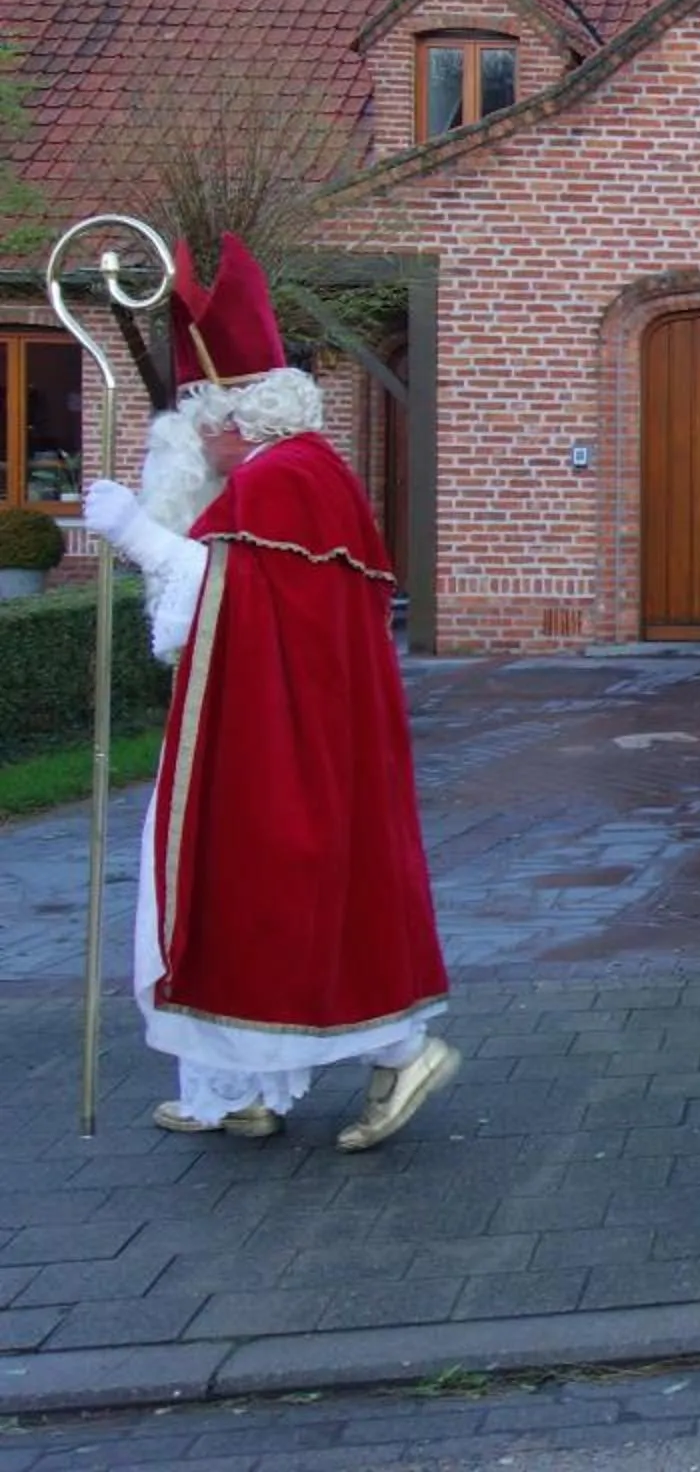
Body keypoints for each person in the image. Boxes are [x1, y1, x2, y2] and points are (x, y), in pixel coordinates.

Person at [83, 232, 456, 1149]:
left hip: (275, 742)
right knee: (235, 896)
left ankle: (399, 1050)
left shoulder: (281, 479)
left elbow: (233, 601)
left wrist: (136, 534)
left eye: (190, 420)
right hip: (271, 729)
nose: (186, 446)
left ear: (231, 415)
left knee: (268, 895)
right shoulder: (298, 472)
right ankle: (237, 1089)